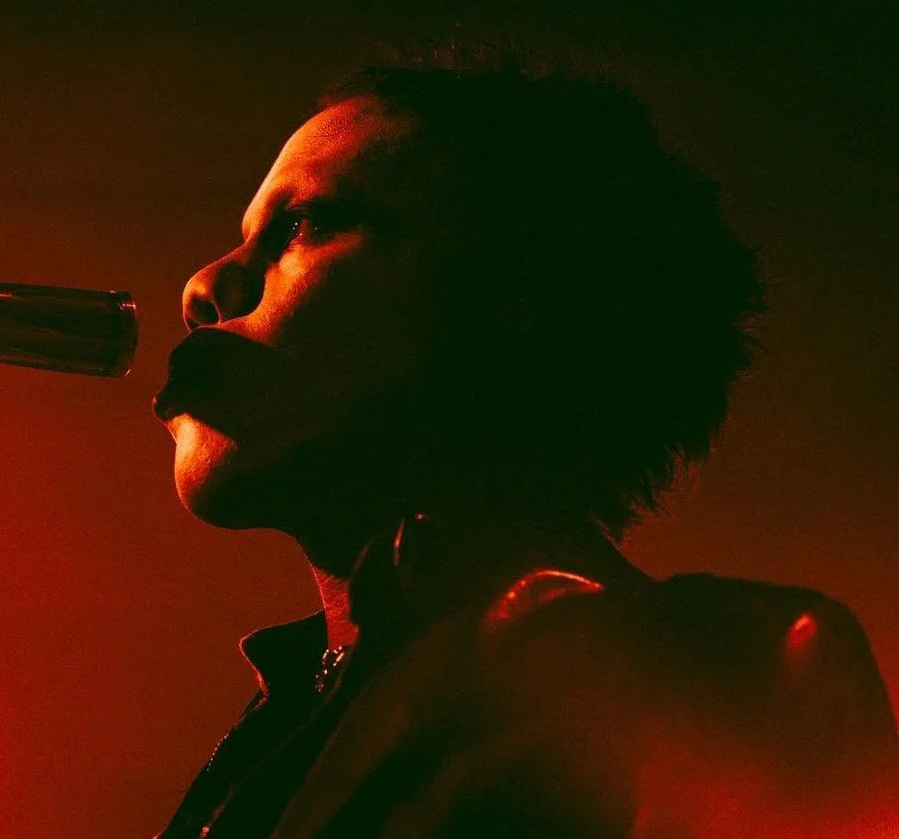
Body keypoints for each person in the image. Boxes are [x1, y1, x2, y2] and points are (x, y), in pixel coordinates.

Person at [150, 55, 897, 838]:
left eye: (304, 223)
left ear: (514, 302)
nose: (203, 286)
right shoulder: (291, 718)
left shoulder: (728, 674)